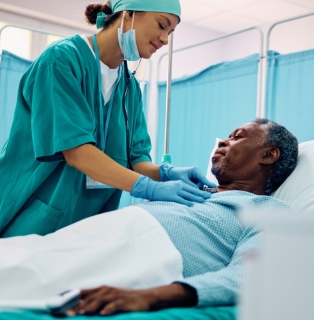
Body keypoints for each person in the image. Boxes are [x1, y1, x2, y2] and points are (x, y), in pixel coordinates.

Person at [0, 118, 298, 315]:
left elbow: (250, 276)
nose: (222, 142)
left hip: (142, 252)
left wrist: (152, 296)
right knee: (16, 256)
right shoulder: (193, 191)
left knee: (23, 276)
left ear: (269, 156)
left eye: (237, 137)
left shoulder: (270, 211)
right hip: (102, 234)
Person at [0, 0, 216, 238]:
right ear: (128, 14)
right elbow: (77, 152)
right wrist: (149, 188)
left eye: (171, 33)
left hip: (87, 225)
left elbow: (135, 160)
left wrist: (165, 173)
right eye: (162, 25)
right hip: (31, 214)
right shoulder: (61, 61)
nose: (165, 39)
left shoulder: (129, 88)